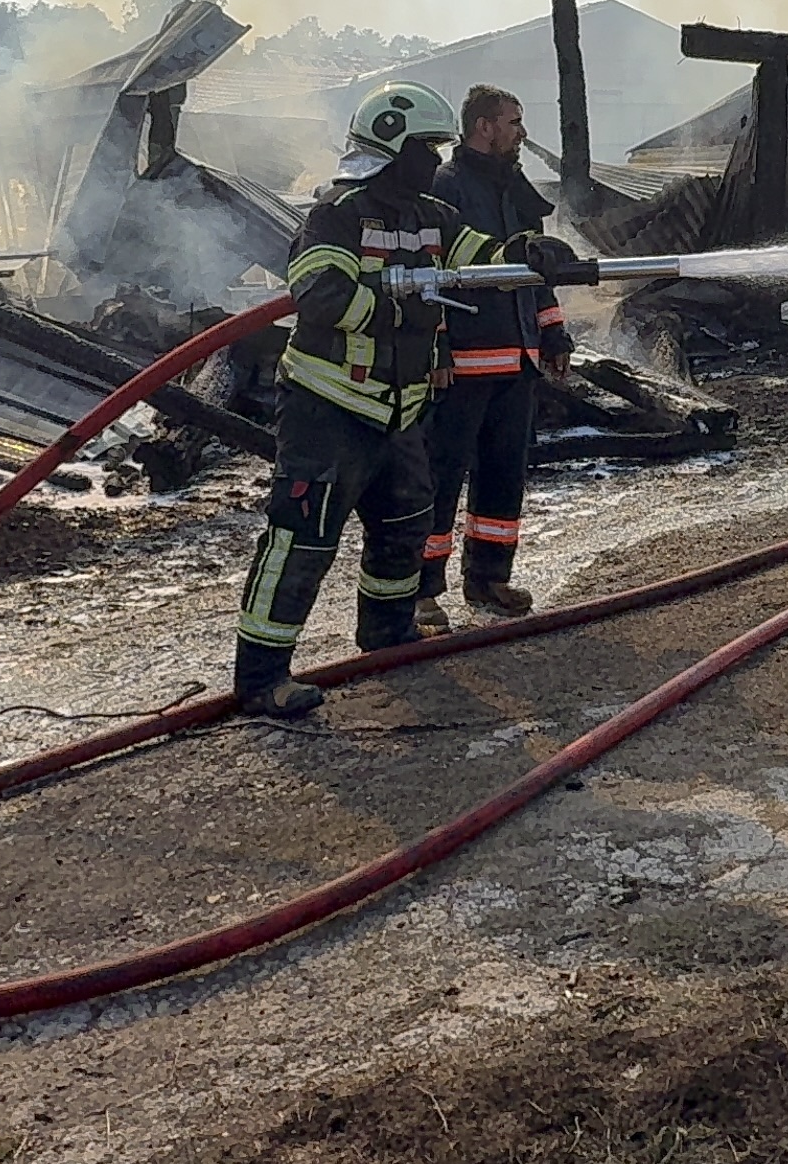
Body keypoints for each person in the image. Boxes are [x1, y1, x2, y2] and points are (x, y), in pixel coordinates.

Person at [230, 83, 570, 716]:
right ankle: (262, 677)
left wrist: (528, 254)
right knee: (302, 540)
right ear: (392, 147)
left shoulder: (432, 216)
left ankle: (387, 637)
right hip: (328, 408)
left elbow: (478, 255)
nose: (434, 160)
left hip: (399, 409)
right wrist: (402, 309)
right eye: (426, 148)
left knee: (404, 527)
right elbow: (321, 296)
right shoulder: (337, 214)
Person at [414, 85, 574, 633]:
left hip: (518, 362)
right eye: (514, 121)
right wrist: (435, 348)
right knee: (440, 477)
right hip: (462, 364)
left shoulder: (513, 188)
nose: (521, 132)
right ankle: (422, 592)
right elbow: (427, 279)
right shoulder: (444, 188)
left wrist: (553, 336)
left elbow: (536, 270)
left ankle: (489, 578)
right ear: (483, 126)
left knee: (504, 477)